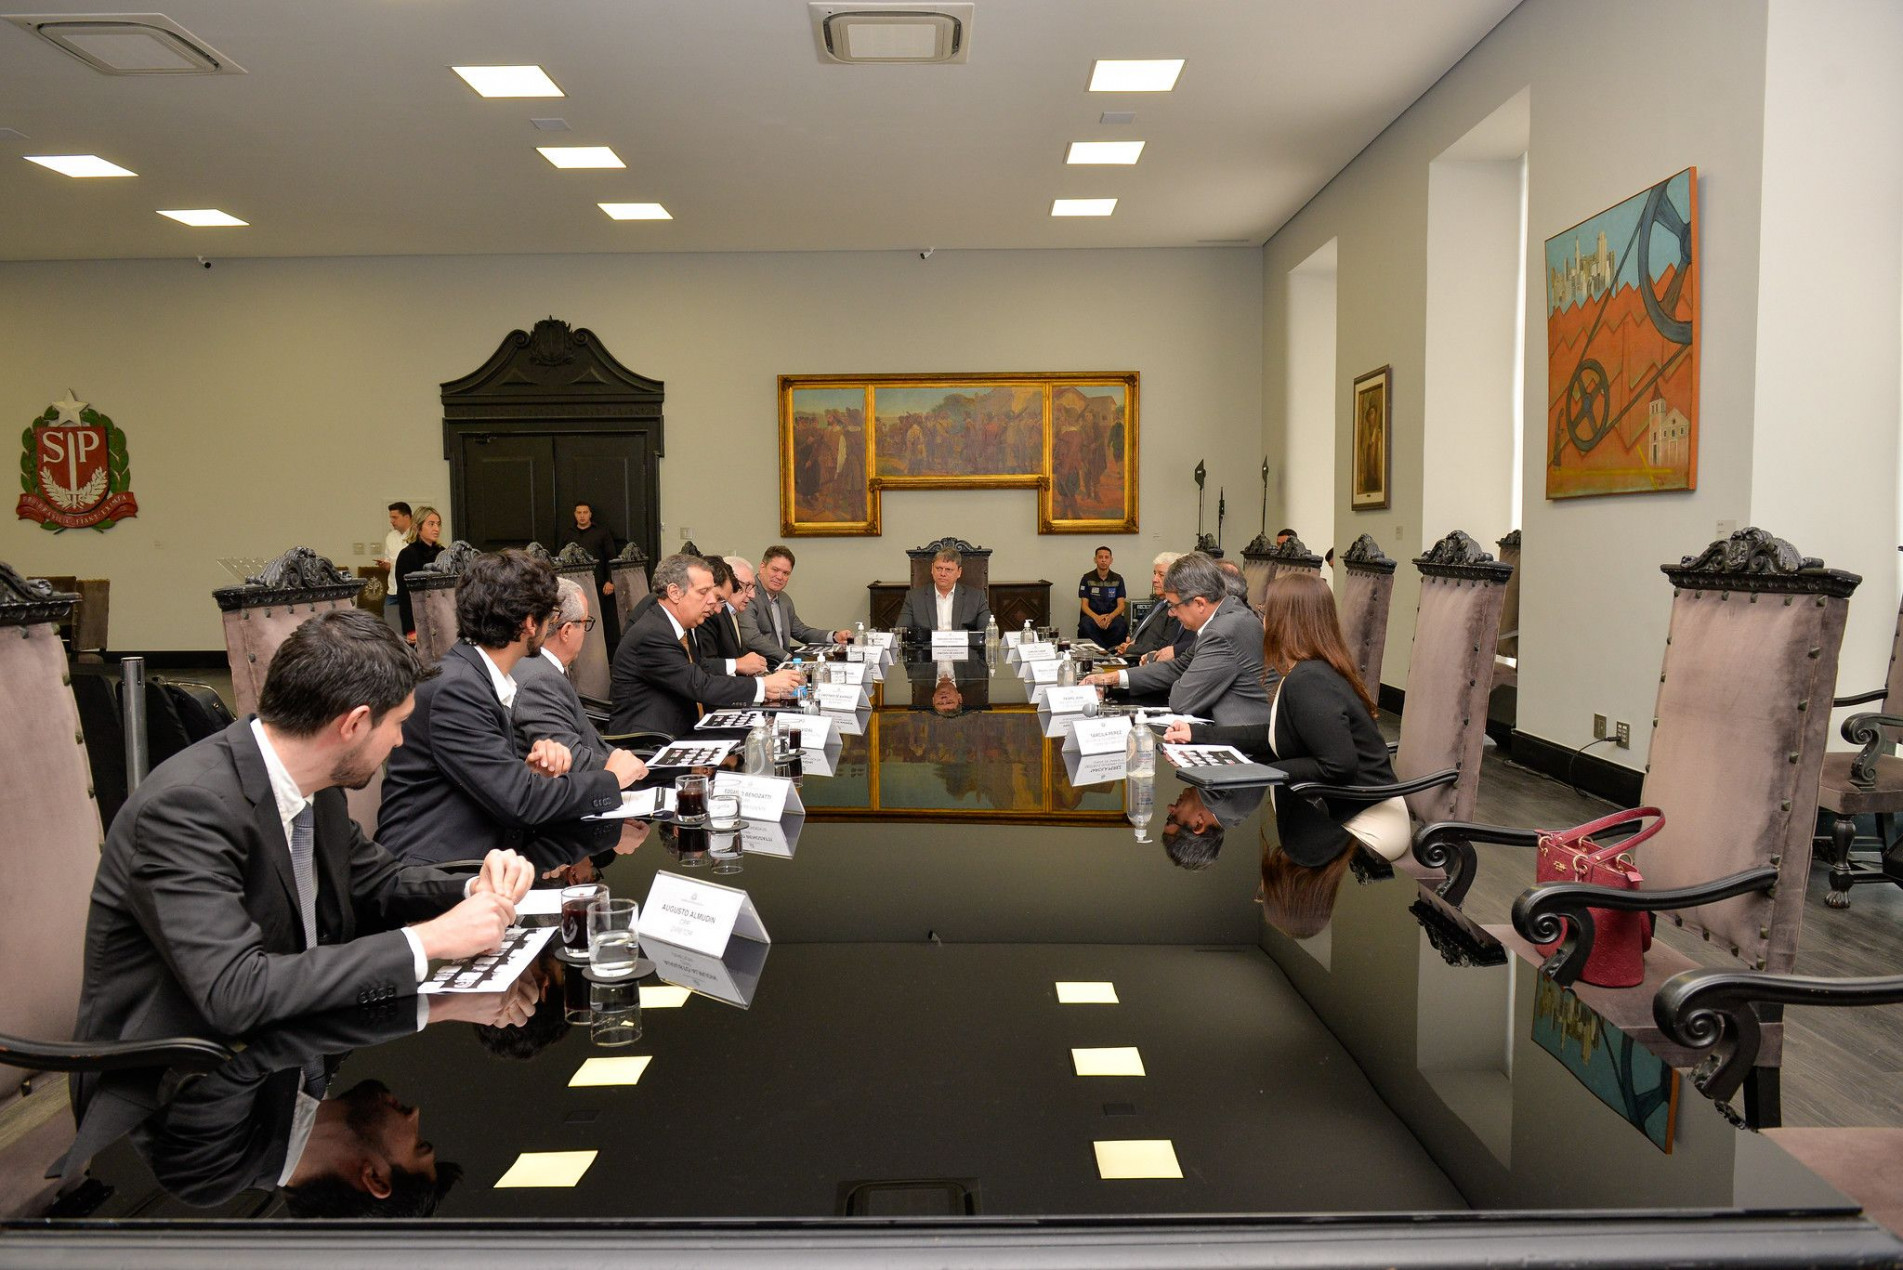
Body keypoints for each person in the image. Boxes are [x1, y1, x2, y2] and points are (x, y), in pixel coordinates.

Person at [67, 609, 537, 1166]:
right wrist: (430, 941)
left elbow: (379, 881)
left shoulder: (314, 783)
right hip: (177, 1098)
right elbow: (235, 993)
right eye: (398, 723)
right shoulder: (187, 808)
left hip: (287, 1049)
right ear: (353, 723)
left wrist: (472, 888)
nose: (402, 739)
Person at [378, 550, 643, 865]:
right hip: (438, 868)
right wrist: (611, 779)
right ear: (530, 623)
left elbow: (489, 780)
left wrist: (530, 771)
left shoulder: (473, 674)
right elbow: (519, 801)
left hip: (487, 851)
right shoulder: (457, 688)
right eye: (549, 615)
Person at [1163, 571, 1406, 864]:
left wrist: (1256, 770)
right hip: (1340, 805)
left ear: (1284, 621)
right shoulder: (1306, 671)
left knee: (1277, 855)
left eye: (1264, 611)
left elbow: (1338, 765)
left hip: (1365, 822)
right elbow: (1274, 735)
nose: (1260, 619)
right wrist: (1198, 735)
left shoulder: (1309, 679)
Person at [610, 553, 805, 738]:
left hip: (683, 727)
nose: (712, 601)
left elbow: (700, 669)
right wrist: (762, 685)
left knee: (770, 733)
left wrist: (763, 689)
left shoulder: (678, 626)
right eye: (703, 592)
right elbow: (699, 684)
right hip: (652, 741)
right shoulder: (653, 633)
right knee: (761, 739)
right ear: (675, 593)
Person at [1082, 552, 1272, 726]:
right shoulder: (1224, 615)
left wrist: (1181, 681)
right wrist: (1114, 677)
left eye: (1174, 606)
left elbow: (1183, 700)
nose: (1171, 613)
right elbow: (1179, 666)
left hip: (1240, 734)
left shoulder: (1223, 630)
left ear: (1199, 603)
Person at [512, 577, 649, 778]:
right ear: (566, 631)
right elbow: (570, 760)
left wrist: (625, 759)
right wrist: (625, 767)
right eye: (586, 622)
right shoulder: (540, 679)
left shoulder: (541, 668)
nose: (585, 631)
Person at [738, 544, 849, 662]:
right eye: (775, 570)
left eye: (786, 573)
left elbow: (800, 631)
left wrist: (834, 636)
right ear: (762, 566)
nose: (779, 577)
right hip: (759, 666)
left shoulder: (784, 599)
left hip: (782, 663)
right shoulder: (747, 594)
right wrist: (788, 658)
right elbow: (752, 639)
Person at [564, 502, 620, 650]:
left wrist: (610, 580)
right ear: (575, 514)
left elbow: (611, 557)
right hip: (573, 584)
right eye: (579, 512)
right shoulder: (568, 533)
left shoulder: (601, 532)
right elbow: (560, 557)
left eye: (585, 512)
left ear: (590, 514)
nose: (582, 516)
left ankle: (597, 649)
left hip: (597, 583)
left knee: (596, 616)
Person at [896, 547, 991, 632]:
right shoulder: (914, 597)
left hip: (964, 646)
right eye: (939, 568)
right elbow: (901, 631)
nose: (943, 574)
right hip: (928, 646)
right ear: (932, 569)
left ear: (959, 572)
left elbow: (988, 630)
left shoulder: (976, 598)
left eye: (948, 570)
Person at [392, 506, 443, 645]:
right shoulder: (407, 555)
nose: (436, 528)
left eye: (438, 524)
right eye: (431, 524)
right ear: (418, 527)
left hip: (441, 617)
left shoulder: (443, 553)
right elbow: (404, 595)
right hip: (419, 618)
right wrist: (410, 628)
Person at [1117, 551, 1182, 658]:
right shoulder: (1159, 602)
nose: (1154, 580)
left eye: (1161, 575)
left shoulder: (1177, 609)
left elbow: (1164, 646)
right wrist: (1132, 639)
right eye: (1154, 573)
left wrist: (1131, 648)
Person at [1077, 545, 1127, 645]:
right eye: (1100, 557)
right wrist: (1097, 618)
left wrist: (1110, 617)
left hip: (1112, 617)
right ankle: (1104, 651)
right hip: (1092, 617)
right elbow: (1084, 605)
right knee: (1085, 624)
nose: (1103, 560)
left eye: (1106, 557)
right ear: (1095, 559)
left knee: (1121, 625)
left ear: (1111, 560)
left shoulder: (1118, 579)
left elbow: (1121, 605)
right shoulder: (1086, 578)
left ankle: (1107, 651)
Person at [376, 502, 412, 636]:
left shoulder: (417, 536)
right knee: (392, 630)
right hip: (393, 590)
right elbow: (390, 563)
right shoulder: (390, 537)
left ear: (407, 517)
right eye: (391, 518)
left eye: (395, 517)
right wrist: (386, 565)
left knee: (411, 630)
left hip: (409, 591)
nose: (391, 521)